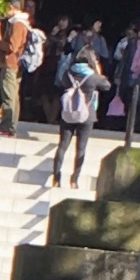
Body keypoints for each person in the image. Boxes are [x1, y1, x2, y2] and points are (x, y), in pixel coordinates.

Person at [56, 29, 105, 187]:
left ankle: (56, 178)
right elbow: (106, 85)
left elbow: (62, 82)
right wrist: (97, 68)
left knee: (63, 145)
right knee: (81, 148)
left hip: (69, 112)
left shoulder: (68, 73)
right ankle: (74, 180)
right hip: (87, 114)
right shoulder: (93, 76)